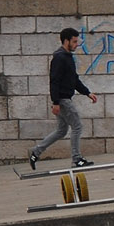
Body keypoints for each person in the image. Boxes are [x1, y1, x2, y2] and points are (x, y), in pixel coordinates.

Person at [28, 27, 98, 170]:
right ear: (66, 41)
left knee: (61, 131)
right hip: (63, 100)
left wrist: (87, 92)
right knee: (77, 126)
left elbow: (74, 79)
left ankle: (36, 151)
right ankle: (76, 159)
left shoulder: (68, 57)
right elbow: (54, 80)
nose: (76, 44)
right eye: (74, 41)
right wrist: (55, 102)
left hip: (63, 99)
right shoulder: (59, 58)